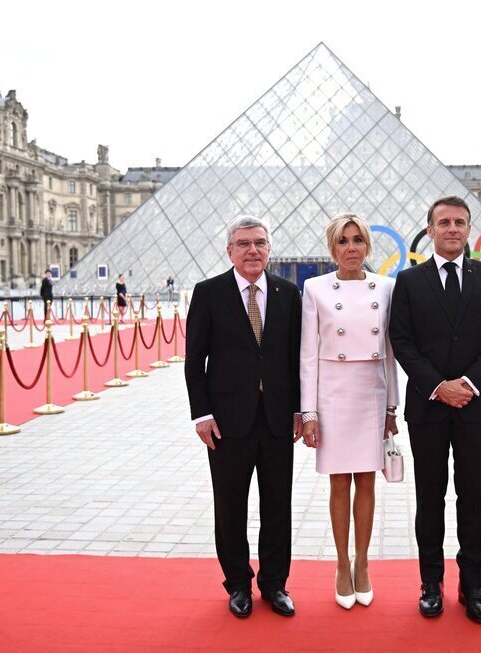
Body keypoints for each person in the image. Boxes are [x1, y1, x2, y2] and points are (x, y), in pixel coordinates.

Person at [389, 196, 481, 624]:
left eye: (460, 222)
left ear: (468, 229)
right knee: (429, 499)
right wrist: (439, 386)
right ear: (431, 228)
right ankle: (431, 584)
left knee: (472, 500)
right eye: (444, 222)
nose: (453, 229)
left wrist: (470, 384)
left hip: (478, 408)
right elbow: (401, 341)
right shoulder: (409, 282)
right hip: (429, 407)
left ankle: (473, 585)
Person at [184, 215, 303, 618]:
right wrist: (201, 414)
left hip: (276, 421)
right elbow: (193, 360)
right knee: (230, 506)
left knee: (278, 506)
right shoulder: (208, 292)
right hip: (227, 422)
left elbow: (295, 359)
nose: (253, 250)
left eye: (260, 243)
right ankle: (238, 584)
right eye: (244, 243)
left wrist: (299, 410)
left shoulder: (288, 294)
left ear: (270, 248)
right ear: (229, 250)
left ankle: (275, 584)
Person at [300, 214, 399, 610]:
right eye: (343, 241)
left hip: (371, 393)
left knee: (367, 483)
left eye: (358, 240)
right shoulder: (315, 288)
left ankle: (363, 564)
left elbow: (391, 352)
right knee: (339, 482)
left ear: (368, 246)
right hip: (334, 395)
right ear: (332, 248)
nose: (352, 248)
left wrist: (393, 405)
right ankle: (342, 564)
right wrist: (308, 411)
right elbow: (308, 354)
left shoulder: (387, 287)